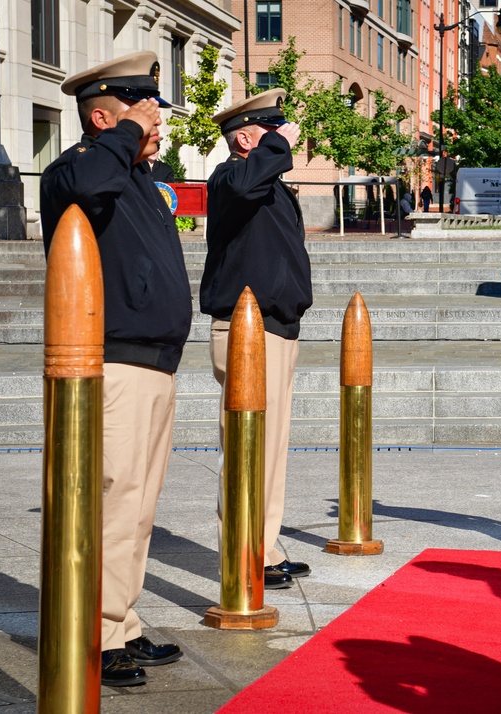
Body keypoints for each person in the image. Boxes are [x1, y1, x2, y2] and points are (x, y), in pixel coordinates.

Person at [39, 51, 192, 688]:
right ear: (102, 117)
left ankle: (120, 623)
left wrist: (136, 143)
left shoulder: (135, 178)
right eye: (141, 111)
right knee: (113, 500)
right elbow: (83, 188)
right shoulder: (77, 167)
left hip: (155, 361)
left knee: (138, 507)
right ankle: (96, 635)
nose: (154, 122)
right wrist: (126, 136)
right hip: (115, 359)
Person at [200, 88, 313, 590]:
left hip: (277, 327)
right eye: (271, 130)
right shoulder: (230, 176)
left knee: (271, 449)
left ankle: (261, 550)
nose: (284, 137)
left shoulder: (263, 179)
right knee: (248, 446)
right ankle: (243, 552)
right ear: (245, 137)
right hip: (247, 330)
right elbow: (244, 186)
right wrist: (273, 151)